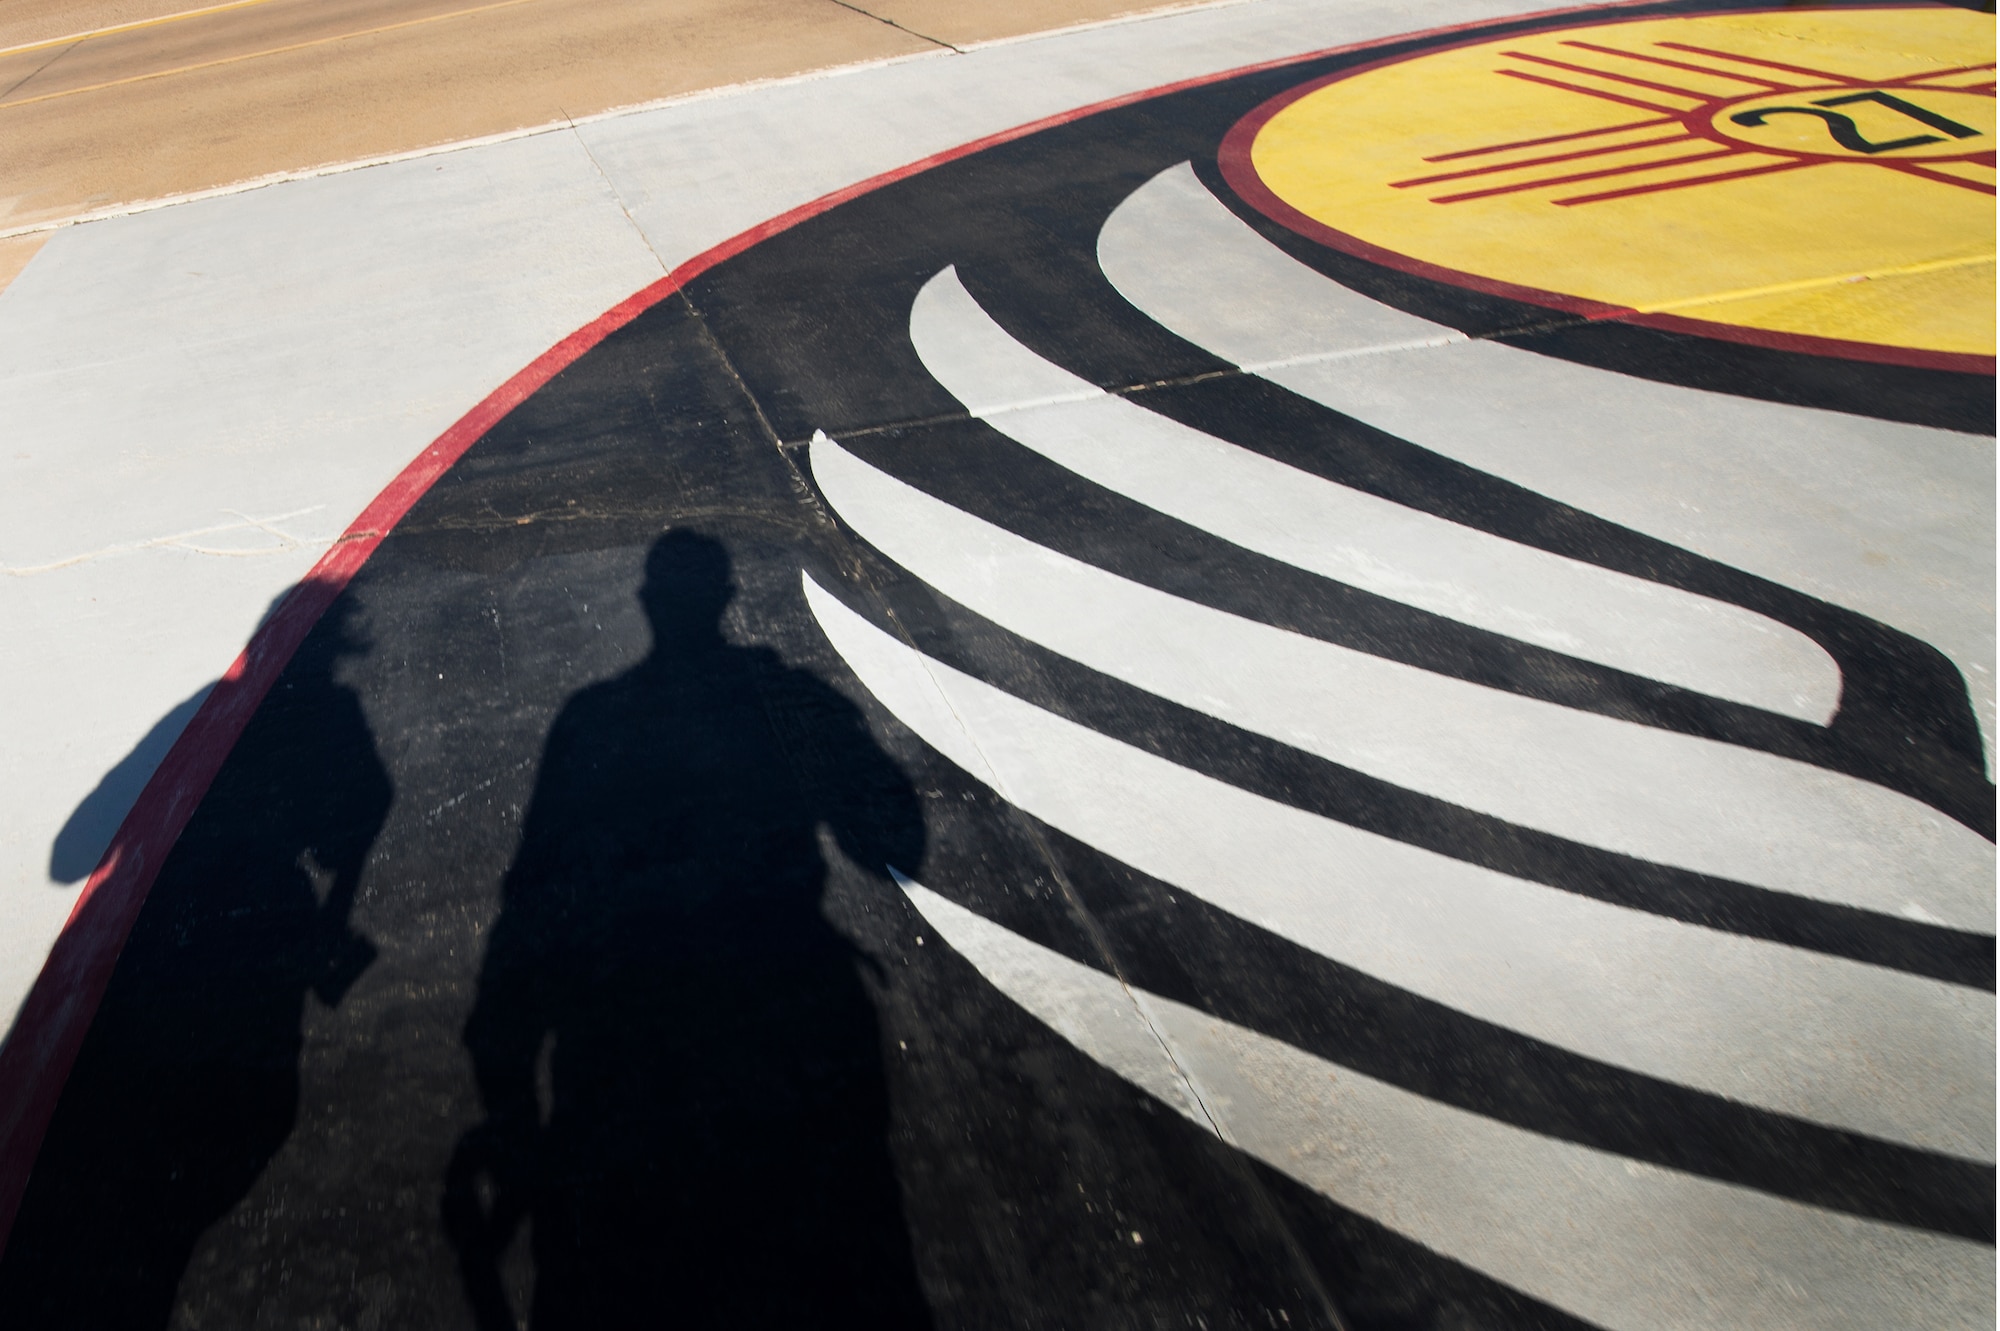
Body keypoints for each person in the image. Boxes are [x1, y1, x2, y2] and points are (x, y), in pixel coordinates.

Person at [448, 531, 930, 1329]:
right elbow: (894, 846)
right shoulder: (785, 697)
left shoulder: (588, 721)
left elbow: (528, 908)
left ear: (645, 605)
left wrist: (508, 1095)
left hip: (625, 1048)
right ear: (727, 599)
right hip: (789, 1029)